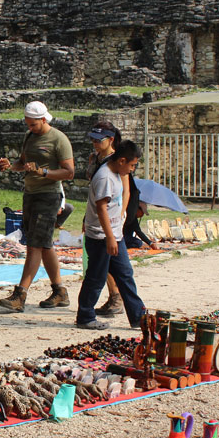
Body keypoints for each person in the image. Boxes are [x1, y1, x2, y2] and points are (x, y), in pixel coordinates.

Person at [0, 102, 75, 312]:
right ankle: (60, 291)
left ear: (43, 119)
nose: (30, 128)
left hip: (49, 196)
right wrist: (10, 166)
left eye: (33, 125)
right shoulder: (29, 137)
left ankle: (20, 295)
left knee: (34, 245)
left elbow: (69, 172)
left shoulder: (59, 139)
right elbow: (23, 163)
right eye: (28, 124)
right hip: (30, 194)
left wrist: (44, 173)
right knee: (44, 244)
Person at [75, 140, 147, 330]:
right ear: (122, 160)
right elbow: (101, 208)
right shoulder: (105, 177)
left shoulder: (116, 173)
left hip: (115, 235)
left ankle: (138, 316)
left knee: (125, 274)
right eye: (131, 165)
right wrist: (109, 237)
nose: (132, 170)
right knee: (96, 277)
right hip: (101, 236)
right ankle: (85, 316)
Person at [84, 120, 128, 317]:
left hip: (112, 215)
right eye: (92, 139)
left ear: (110, 140)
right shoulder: (96, 158)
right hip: (97, 214)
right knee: (102, 262)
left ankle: (116, 296)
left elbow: (125, 191)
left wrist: (118, 216)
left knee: (108, 262)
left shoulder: (117, 159)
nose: (95, 143)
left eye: (98, 140)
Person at [123, 177, 159, 251]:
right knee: (138, 243)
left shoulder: (133, 216)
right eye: (142, 212)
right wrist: (150, 243)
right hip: (122, 236)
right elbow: (139, 232)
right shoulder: (131, 215)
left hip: (125, 236)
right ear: (138, 209)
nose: (142, 215)